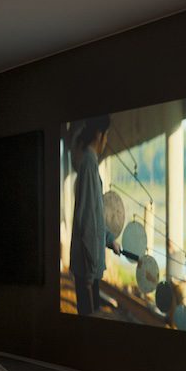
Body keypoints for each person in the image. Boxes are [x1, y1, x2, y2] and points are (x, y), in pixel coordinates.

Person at [69, 115, 121, 316]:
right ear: (99, 135)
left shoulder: (89, 164)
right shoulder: (89, 165)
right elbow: (88, 222)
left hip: (87, 266)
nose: (106, 141)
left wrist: (110, 240)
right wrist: (91, 273)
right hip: (87, 270)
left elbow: (95, 218)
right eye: (106, 136)